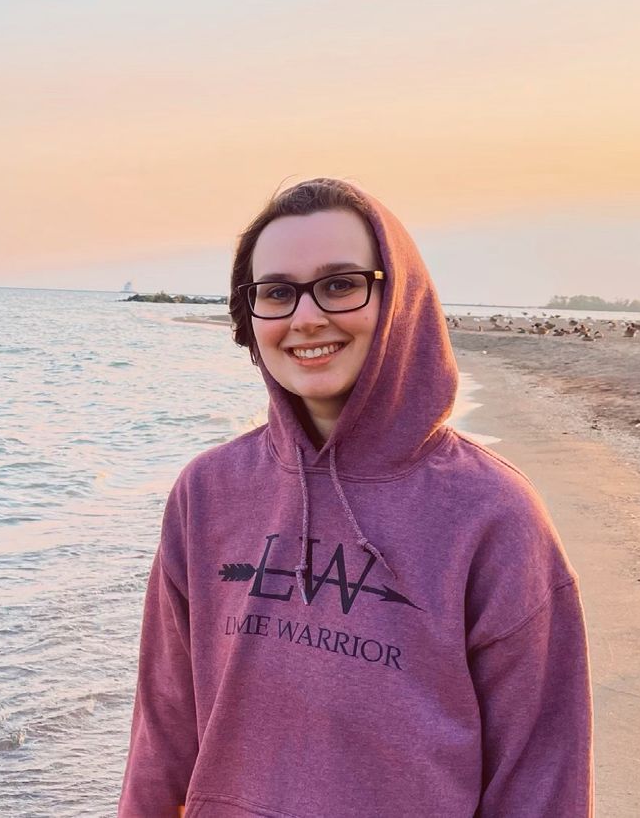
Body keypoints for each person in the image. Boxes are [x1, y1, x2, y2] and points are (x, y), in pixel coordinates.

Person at [118, 178, 593, 817]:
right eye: (276, 292)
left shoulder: (494, 514)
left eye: (340, 285)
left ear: (400, 300)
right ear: (248, 316)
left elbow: (542, 779)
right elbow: (163, 730)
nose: (306, 318)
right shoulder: (206, 493)